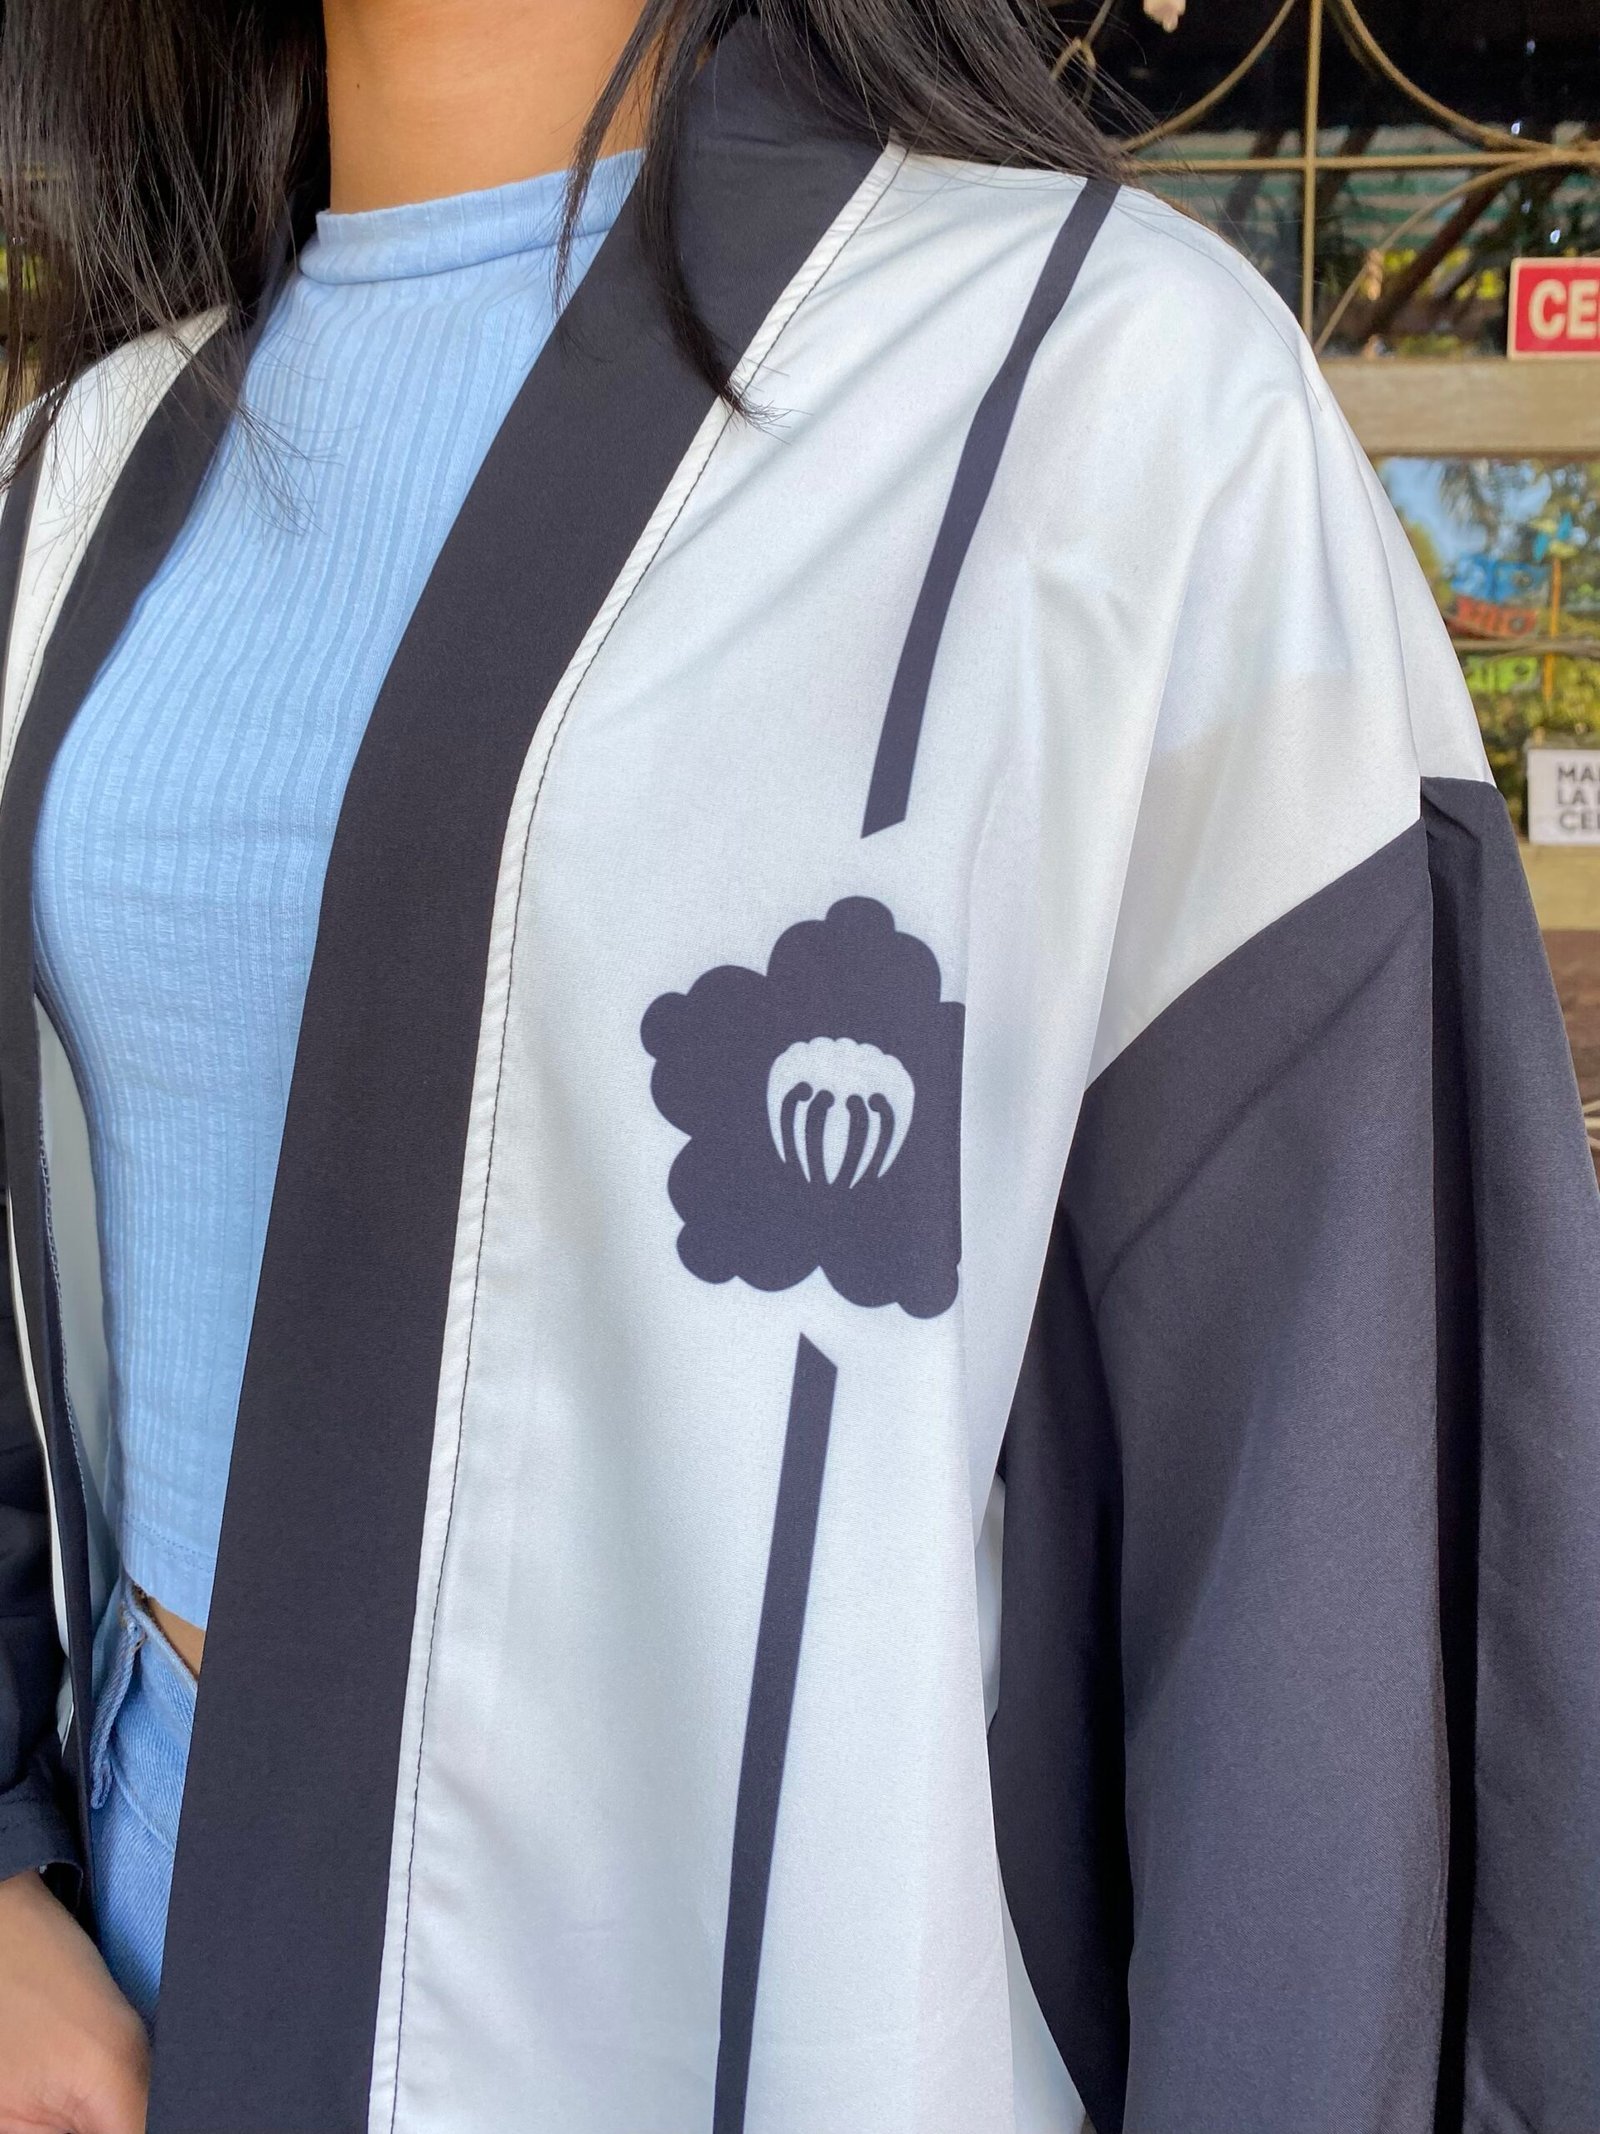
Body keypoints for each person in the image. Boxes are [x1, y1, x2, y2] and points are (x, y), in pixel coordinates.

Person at [0, 0, 1596, 2129]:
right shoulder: (71, 479)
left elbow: (1336, 1589)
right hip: (128, 1978)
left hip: (753, 2027)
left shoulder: (1100, 394)